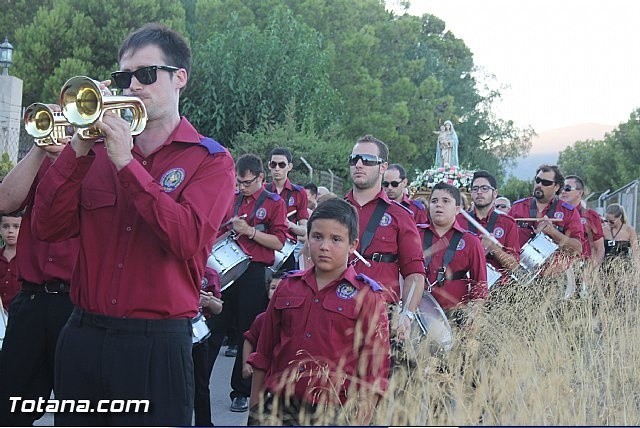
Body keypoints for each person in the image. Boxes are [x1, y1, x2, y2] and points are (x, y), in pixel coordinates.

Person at [31, 23, 236, 425]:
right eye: (124, 77)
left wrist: (127, 164)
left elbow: (188, 239)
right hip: (83, 335)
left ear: (180, 78)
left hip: (156, 344)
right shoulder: (94, 155)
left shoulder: (211, 161)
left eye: (146, 74)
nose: (134, 86)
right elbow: (47, 227)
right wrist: (78, 146)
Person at [247, 198, 390, 426]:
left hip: (333, 412)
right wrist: (255, 409)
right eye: (317, 237)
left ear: (353, 245)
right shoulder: (287, 286)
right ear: (307, 238)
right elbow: (263, 353)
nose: (324, 246)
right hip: (279, 408)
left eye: (336, 240)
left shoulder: (368, 296)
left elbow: (375, 373)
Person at [0, 140, 78, 426]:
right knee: (10, 409)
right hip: (32, 299)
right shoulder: (41, 158)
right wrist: (39, 146)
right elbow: (5, 200)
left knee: (76, 410)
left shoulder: (105, 157)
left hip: (78, 303)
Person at [208, 153, 288, 413]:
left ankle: (240, 391)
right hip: (226, 267)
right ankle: (198, 383)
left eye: (247, 182)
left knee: (246, 331)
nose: (241, 187)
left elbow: (279, 242)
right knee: (214, 325)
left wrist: (250, 231)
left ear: (261, 178)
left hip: (254, 270)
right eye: (239, 182)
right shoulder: (232, 200)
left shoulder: (274, 203)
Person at [345, 135, 425, 340]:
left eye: (368, 160)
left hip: (380, 312)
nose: (359, 165)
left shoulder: (401, 216)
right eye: (354, 159)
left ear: (383, 167)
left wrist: (406, 315)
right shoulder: (334, 210)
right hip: (334, 307)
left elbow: (414, 273)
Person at [419, 182, 487, 321]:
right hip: (418, 313)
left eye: (446, 201)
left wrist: (473, 317)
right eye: (434, 201)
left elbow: (480, 284)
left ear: (457, 209)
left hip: (455, 315)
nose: (439, 205)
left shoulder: (471, 241)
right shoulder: (415, 234)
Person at [508, 165, 584, 278]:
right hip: (518, 275)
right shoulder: (517, 207)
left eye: (546, 183)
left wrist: (553, 233)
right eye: (537, 180)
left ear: (556, 187)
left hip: (553, 278)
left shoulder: (568, 212)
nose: (539, 185)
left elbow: (577, 249)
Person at [455, 171, 520, 287]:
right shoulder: (458, 221)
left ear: (495, 193)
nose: (479, 192)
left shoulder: (507, 223)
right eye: (475, 189)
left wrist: (492, 247)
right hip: (464, 288)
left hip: (498, 290)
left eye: (484, 188)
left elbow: (514, 266)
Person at [265, 148, 309, 271]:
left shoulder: (299, 192)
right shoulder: (263, 190)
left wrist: (288, 224)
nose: (277, 168)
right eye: (273, 164)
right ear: (269, 166)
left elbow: (304, 230)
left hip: (287, 250)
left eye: (281, 164)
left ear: (289, 166)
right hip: (264, 247)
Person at [192, 267, 224, 427]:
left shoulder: (210, 273)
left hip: (198, 333)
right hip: (171, 330)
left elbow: (219, 308)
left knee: (201, 385)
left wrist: (209, 301)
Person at [241, 269, 283, 381]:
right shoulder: (262, 318)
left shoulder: (295, 318)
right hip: (263, 370)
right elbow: (249, 339)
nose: (276, 292)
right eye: (273, 288)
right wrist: (246, 364)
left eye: (281, 288)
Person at [560, 175, 604, 267]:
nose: (563, 191)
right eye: (562, 188)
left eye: (568, 188)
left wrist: (591, 272)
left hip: (582, 267)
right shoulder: (553, 213)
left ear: (579, 193)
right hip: (557, 268)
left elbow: (599, 248)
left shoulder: (591, 216)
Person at [0, 213, 21, 311]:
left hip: (22, 311)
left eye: (16, 227)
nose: (10, 231)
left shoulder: (29, 259)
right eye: (5, 226)